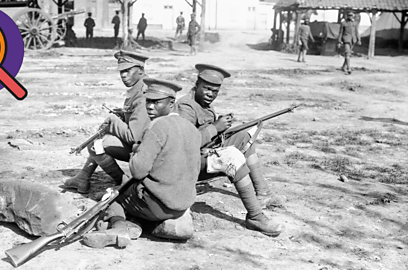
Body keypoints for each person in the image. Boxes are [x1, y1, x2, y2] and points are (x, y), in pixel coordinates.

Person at [82, 78, 202, 248]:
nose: (150, 107)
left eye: (157, 102)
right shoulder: (192, 129)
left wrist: (136, 150)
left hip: (157, 203)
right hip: (183, 203)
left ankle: (119, 228)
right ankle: (161, 225)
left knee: (112, 196)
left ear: (171, 102)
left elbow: (138, 171)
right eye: (148, 101)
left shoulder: (157, 126)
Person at [175, 64, 283, 237]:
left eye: (215, 91)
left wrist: (221, 127)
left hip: (203, 154)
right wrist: (216, 128)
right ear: (197, 85)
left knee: (244, 137)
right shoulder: (186, 106)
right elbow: (185, 143)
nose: (210, 94)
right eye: (207, 89)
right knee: (232, 157)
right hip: (188, 165)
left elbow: (205, 134)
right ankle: (255, 216)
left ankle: (263, 193)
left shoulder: (204, 104)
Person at [63, 51, 151, 193]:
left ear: (140, 70)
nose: (123, 75)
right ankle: (82, 178)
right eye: (121, 71)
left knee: (96, 145)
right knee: (99, 140)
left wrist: (113, 121)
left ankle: (124, 184)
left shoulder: (142, 95)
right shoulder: (138, 88)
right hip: (142, 145)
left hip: (146, 151)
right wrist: (123, 114)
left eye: (128, 70)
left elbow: (134, 137)